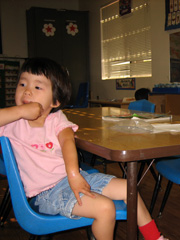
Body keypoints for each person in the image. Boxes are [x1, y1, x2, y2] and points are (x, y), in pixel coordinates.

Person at [0, 58, 167, 240]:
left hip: (74, 178)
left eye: (37, 87)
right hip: (45, 193)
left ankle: (154, 238)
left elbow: (67, 142)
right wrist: (20, 112)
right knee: (105, 208)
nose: (27, 91)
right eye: (22, 84)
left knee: (128, 187)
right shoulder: (12, 124)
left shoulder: (57, 119)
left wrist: (73, 175)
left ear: (55, 101)